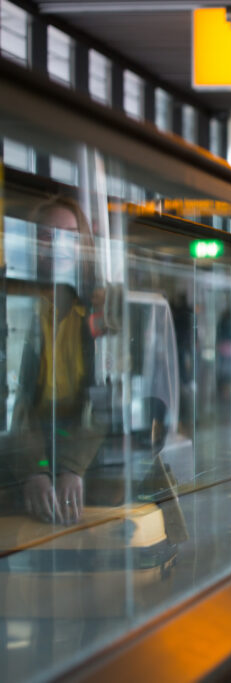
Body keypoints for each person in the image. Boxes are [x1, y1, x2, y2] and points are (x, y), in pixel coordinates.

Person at [9, 196, 105, 524]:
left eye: (69, 235)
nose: (57, 245)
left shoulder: (98, 311)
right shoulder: (16, 305)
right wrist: (33, 469)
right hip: (21, 459)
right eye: (47, 235)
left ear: (84, 246)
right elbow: (13, 399)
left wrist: (73, 466)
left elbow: (109, 397)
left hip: (87, 459)